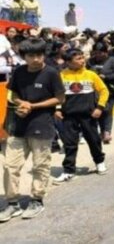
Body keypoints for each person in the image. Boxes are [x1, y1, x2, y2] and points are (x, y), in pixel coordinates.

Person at [0, 38, 65, 222]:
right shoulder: (19, 72)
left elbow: (60, 99)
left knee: (40, 165)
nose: (36, 59)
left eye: (39, 55)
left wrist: (33, 106)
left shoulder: (51, 73)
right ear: (24, 56)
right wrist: (22, 103)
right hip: (19, 126)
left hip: (42, 125)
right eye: (31, 56)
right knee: (10, 166)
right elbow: (12, 93)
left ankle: (37, 200)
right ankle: (13, 203)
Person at [53, 48, 109, 184]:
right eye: (78, 59)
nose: (83, 60)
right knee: (69, 144)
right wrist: (57, 109)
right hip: (68, 116)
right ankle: (68, 171)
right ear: (68, 62)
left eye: (82, 57)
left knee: (94, 140)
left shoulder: (91, 74)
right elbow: (57, 94)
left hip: (88, 115)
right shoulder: (61, 75)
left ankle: (99, 162)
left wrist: (100, 107)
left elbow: (104, 91)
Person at [87, 42, 114, 144]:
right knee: (100, 111)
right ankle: (102, 132)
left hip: (110, 91)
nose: (97, 55)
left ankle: (107, 132)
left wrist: (106, 77)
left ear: (105, 52)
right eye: (96, 53)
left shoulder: (112, 60)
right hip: (95, 92)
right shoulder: (90, 61)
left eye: (100, 53)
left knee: (108, 111)